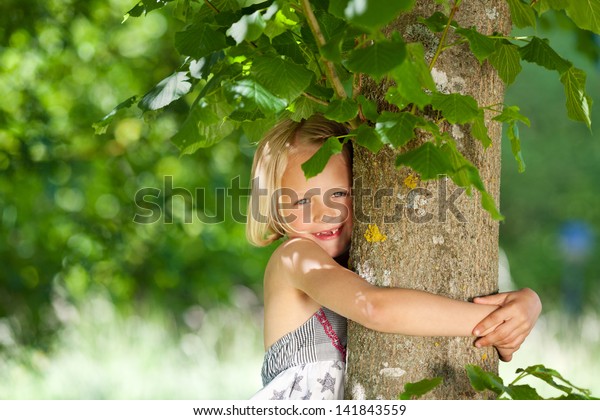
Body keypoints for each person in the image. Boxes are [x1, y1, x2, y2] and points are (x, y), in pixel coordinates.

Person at [246, 115, 541, 400]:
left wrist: (529, 303)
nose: (325, 213)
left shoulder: (353, 265)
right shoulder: (295, 257)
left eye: (338, 193)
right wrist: (500, 322)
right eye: (302, 200)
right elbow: (373, 307)